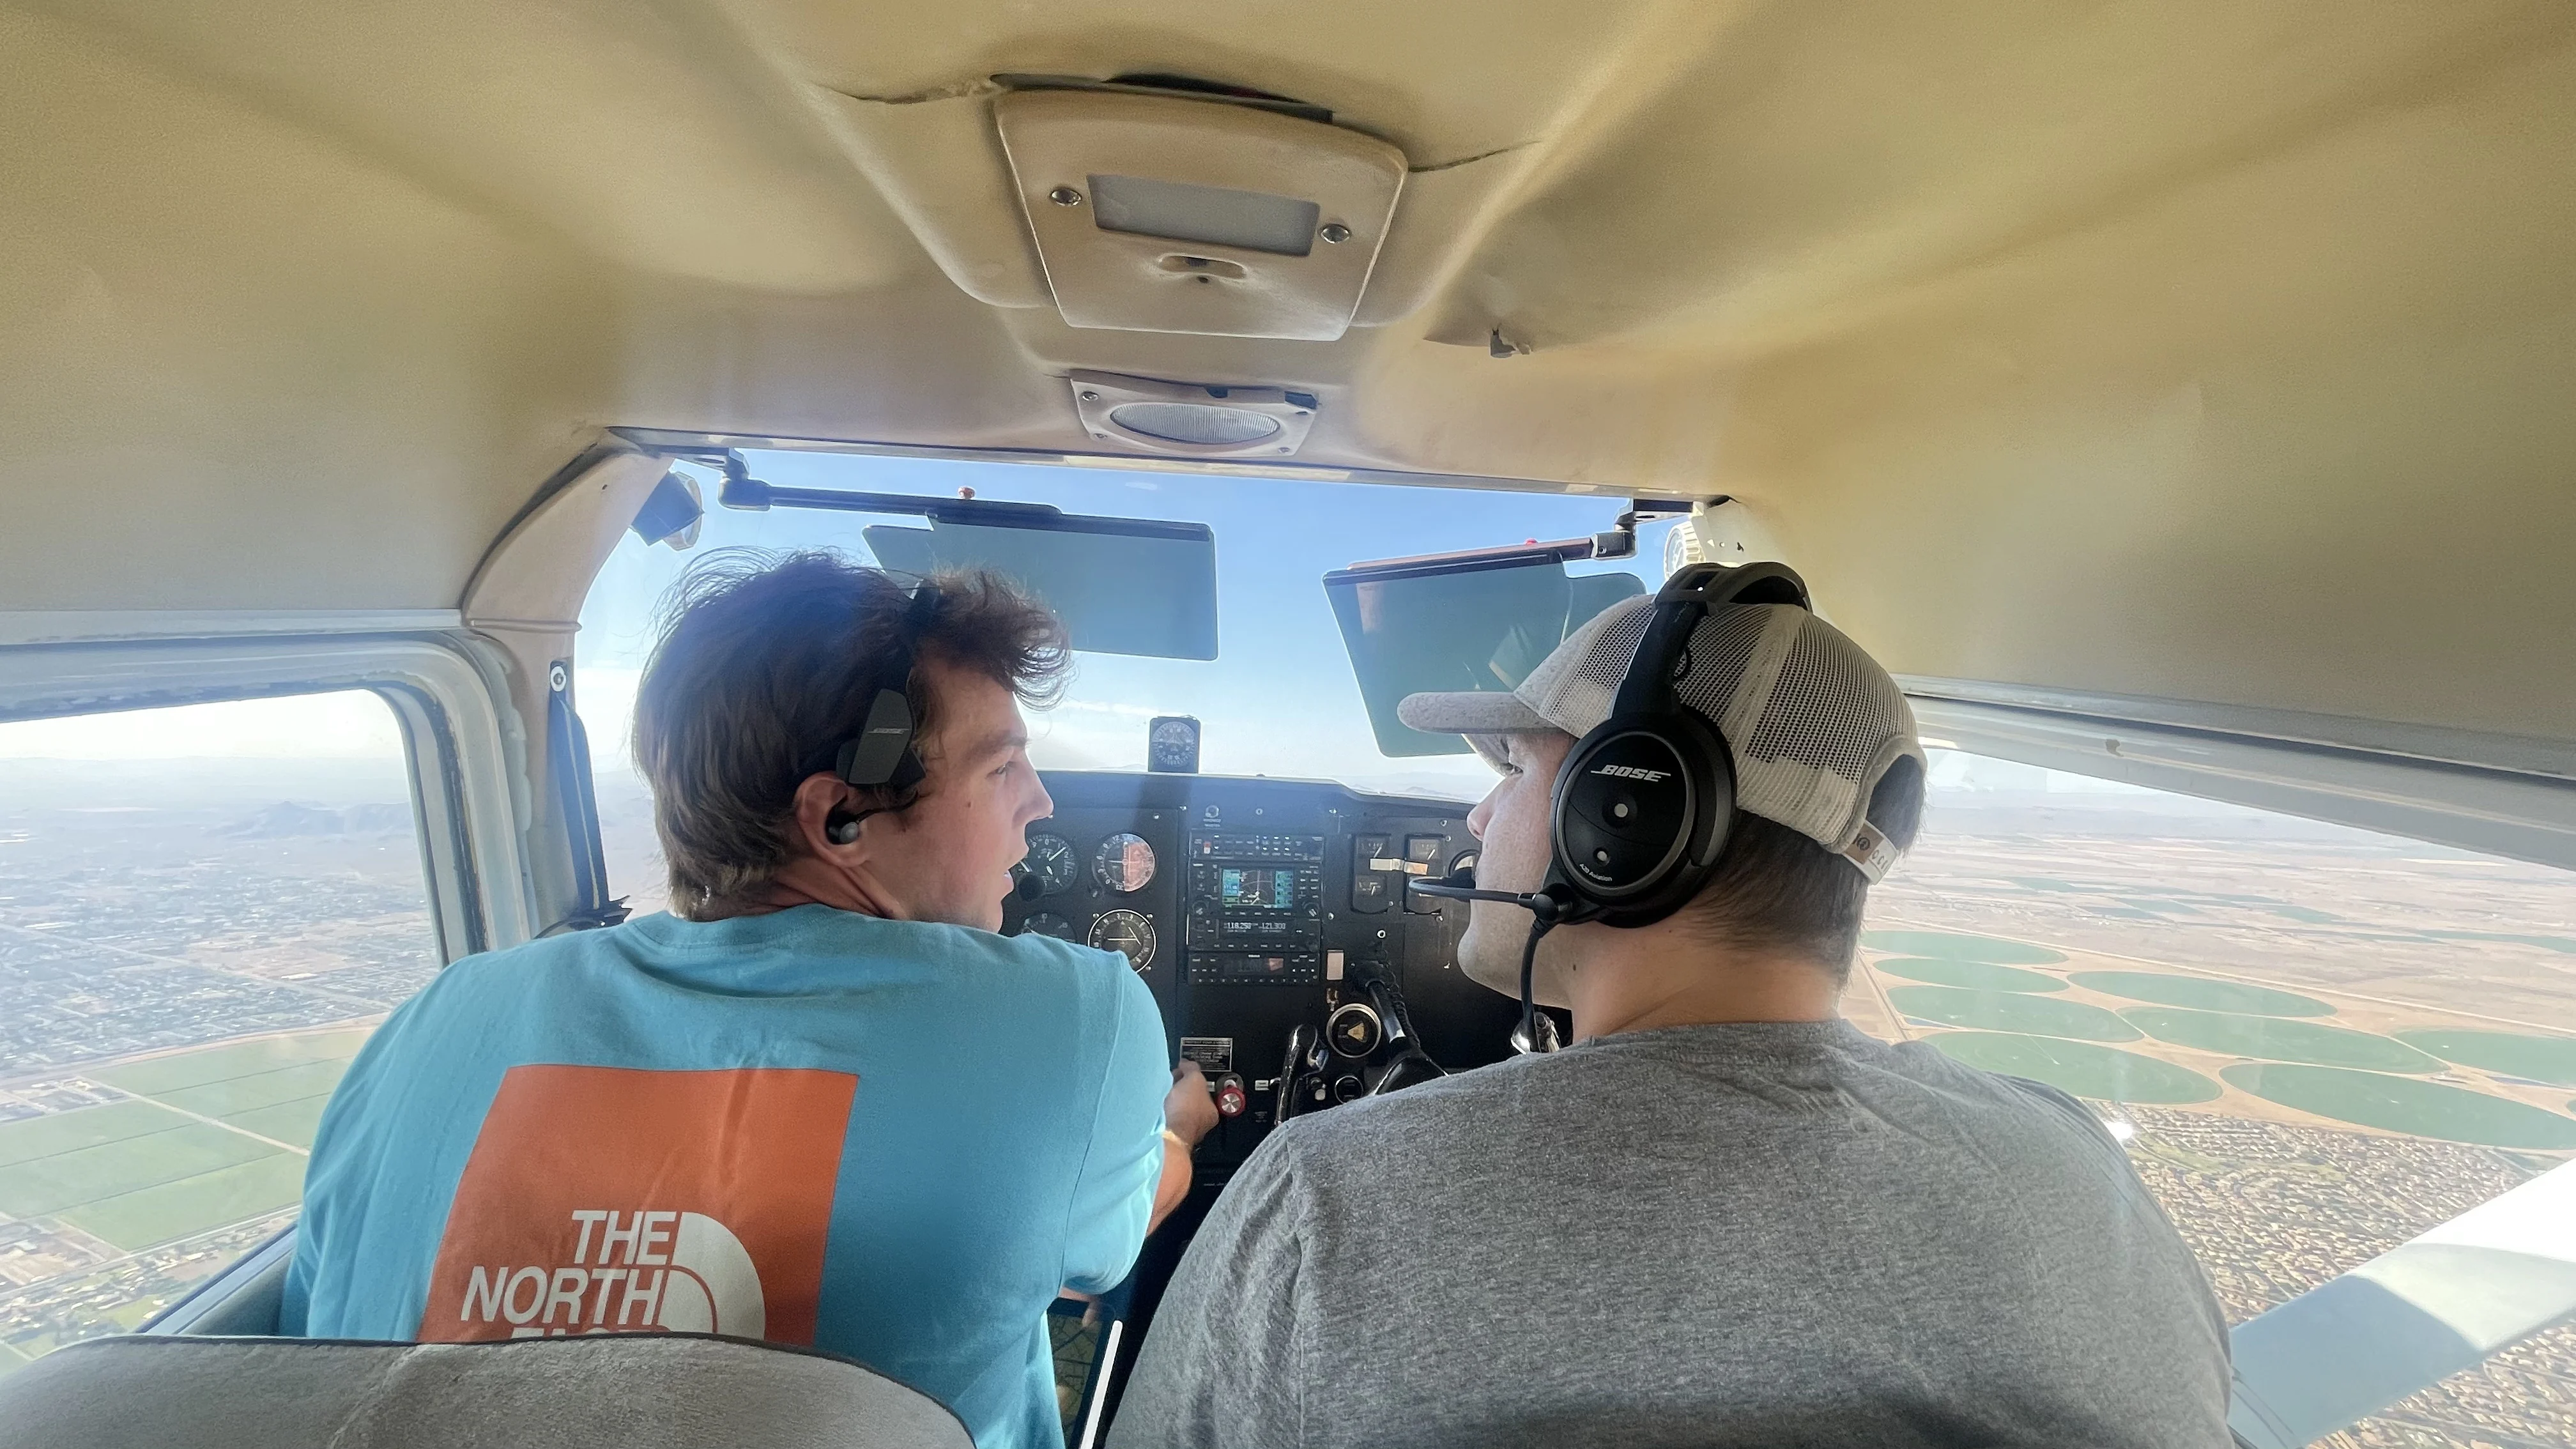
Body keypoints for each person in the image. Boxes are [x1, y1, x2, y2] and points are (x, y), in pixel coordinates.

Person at [1112, 585, 2232, 1448]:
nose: (1478, 810)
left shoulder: (1327, 1200)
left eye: (1514, 765)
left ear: (1625, 813)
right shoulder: (2080, 1168)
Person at [284, 552, 1220, 1449]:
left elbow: (307, 1340)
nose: (1042, 802)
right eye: (1000, 768)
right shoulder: (1070, 1019)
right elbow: (1107, 1248)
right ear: (839, 817)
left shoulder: (434, 1020)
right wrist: (1178, 1133)